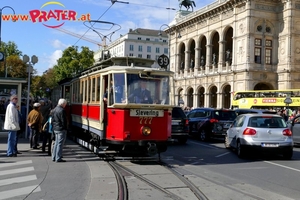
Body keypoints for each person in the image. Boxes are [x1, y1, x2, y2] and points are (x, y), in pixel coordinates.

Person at [52, 98, 68, 162]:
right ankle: (58, 158)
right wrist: (65, 128)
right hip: (61, 129)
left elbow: (52, 120)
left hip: (55, 128)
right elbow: (64, 121)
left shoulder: (54, 109)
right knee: (60, 144)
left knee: (56, 143)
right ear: (63, 104)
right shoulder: (62, 110)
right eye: (65, 104)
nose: (65, 105)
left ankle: (54, 157)